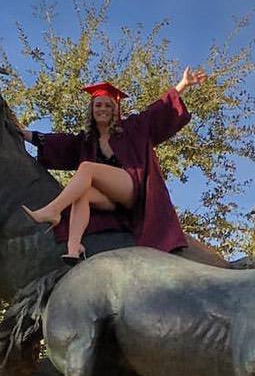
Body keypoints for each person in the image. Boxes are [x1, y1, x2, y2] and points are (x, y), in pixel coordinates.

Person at [19, 67, 206, 261]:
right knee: (81, 192)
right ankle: (74, 249)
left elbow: (157, 110)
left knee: (86, 168)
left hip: (133, 191)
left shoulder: (132, 128)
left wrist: (183, 84)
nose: (102, 109)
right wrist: (25, 134)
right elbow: (62, 144)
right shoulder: (87, 141)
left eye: (107, 106)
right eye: (98, 105)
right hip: (110, 202)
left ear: (115, 109)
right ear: (92, 110)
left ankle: (53, 210)